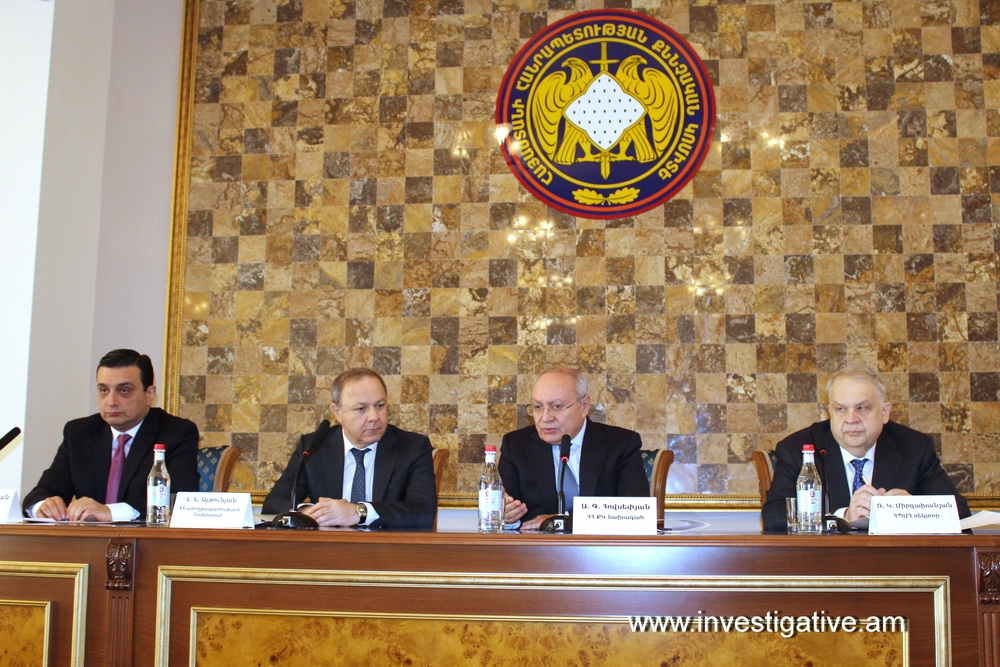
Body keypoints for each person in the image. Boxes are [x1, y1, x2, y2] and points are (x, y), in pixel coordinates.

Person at [762, 364, 970, 531]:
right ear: (829, 412)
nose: (851, 419)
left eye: (862, 408)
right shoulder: (799, 449)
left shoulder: (914, 448)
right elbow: (774, 517)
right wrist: (843, 516)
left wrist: (913, 510)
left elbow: (960, 514)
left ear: (885, 412)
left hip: (895, 563)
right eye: (841, 409)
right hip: (824, 563)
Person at [23, 349, 200, 521]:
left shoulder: (176, 432)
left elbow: (179, 499)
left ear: (149, 394)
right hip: (89, 539)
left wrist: (110, 512)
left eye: (124, 391)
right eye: (104, 390)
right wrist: (43, 506)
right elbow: (41, 492)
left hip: (148, 539)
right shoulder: (79, 432)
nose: (111, 402)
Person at [262, 368, 437, 529]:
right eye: (361, 409)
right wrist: (308, 512)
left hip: (388, 549)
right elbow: (274, 503)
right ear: (337, 412)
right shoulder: (314, 447)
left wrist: (358, 512)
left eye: (380, 406)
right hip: (327, 549)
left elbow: (424, 512)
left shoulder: (413, 447)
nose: (374, 417)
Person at [499, 367, 649, 530]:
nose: (545, 417)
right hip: (535, 545)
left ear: (584, 405)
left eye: (557, 406)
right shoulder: (515, 446)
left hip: (600, 544)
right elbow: (508, 509)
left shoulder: (621, 444)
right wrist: (508, 517)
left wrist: (561, 521)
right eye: (538, 407)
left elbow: (636, 511)